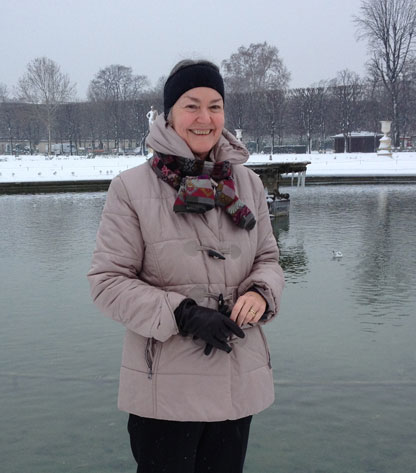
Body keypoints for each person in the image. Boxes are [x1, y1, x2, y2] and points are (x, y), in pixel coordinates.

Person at [88, 59, 285, 473]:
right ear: (169, 114)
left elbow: (268, 258)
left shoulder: (246, 183)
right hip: (165, 392)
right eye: (191, 105)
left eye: (215, 106)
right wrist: (184, 314)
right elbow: (107, 283)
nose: (204, 118)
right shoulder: (131, 188)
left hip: (236, 380)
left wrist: (260, 292)